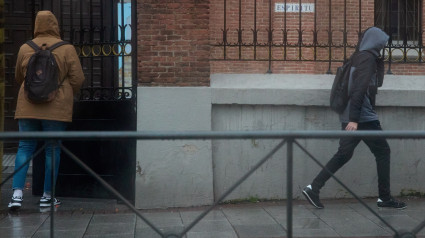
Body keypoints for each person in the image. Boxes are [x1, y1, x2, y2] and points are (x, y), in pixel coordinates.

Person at [302, 27, 406, 209]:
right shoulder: (366, 60)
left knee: (344, 154)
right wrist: (355, 119)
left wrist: (379, 62)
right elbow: (358, 90)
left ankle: (313, 188)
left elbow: (376, 83)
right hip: (362, 116)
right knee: (383, 152)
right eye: (381, 43)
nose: (383, 47)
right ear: (375, 42)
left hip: (351, 113)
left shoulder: (360, 57)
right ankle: (384, 198)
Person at [8, 10, 85, 210]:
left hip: (28, 105)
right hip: (56, 107)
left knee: (25, 147)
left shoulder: (25, 48)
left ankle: (16, 195)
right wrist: (64, 91)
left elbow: (18, 76)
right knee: (52, 149)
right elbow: (78, 79)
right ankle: (47, 196)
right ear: (55, 25)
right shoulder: (66, 48)